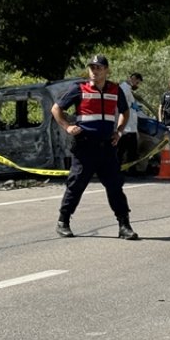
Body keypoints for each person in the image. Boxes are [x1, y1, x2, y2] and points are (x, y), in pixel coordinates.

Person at [51, 54, 138, 240]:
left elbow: (125, 111)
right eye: (92, 68)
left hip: (107, 147)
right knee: (76, 185)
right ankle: (63, 221)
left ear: (107, 70)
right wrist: (67, 126)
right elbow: (56, 108)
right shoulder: (79, 88)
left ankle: (124, 225)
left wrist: (119, 131)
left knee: (115, 186)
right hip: (85, 147)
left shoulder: (115, 89)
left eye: (99, 68)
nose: (94, 71)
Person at [118, 72, 144, 175]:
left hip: (130, 126)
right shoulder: (124, 89)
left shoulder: (128, 90)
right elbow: (122, 107)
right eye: (137, 83)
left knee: (130, 151)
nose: (137, 86)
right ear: (132, 79)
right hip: (126, 127)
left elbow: (130, 105)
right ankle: (125, 170)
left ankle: (130, 170)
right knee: (123, 150)